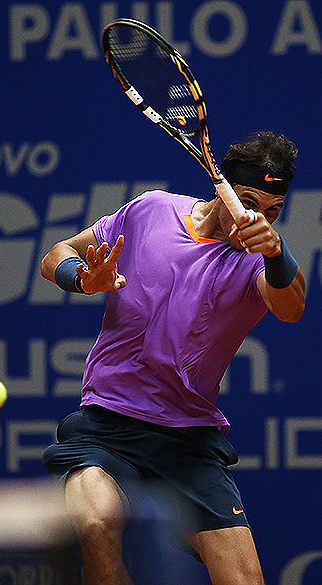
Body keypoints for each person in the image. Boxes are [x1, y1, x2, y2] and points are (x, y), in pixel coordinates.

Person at [41, 131, 305, 585]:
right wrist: (84, 279)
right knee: (97, 526)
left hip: (188, 441)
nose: (254, 216)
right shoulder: (151, 211)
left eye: (271, 209)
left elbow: (291, 307)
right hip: (106, 427)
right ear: (221, 190)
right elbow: (55, 256)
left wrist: (277, 249)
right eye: (247, 200)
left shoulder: (259, 261)